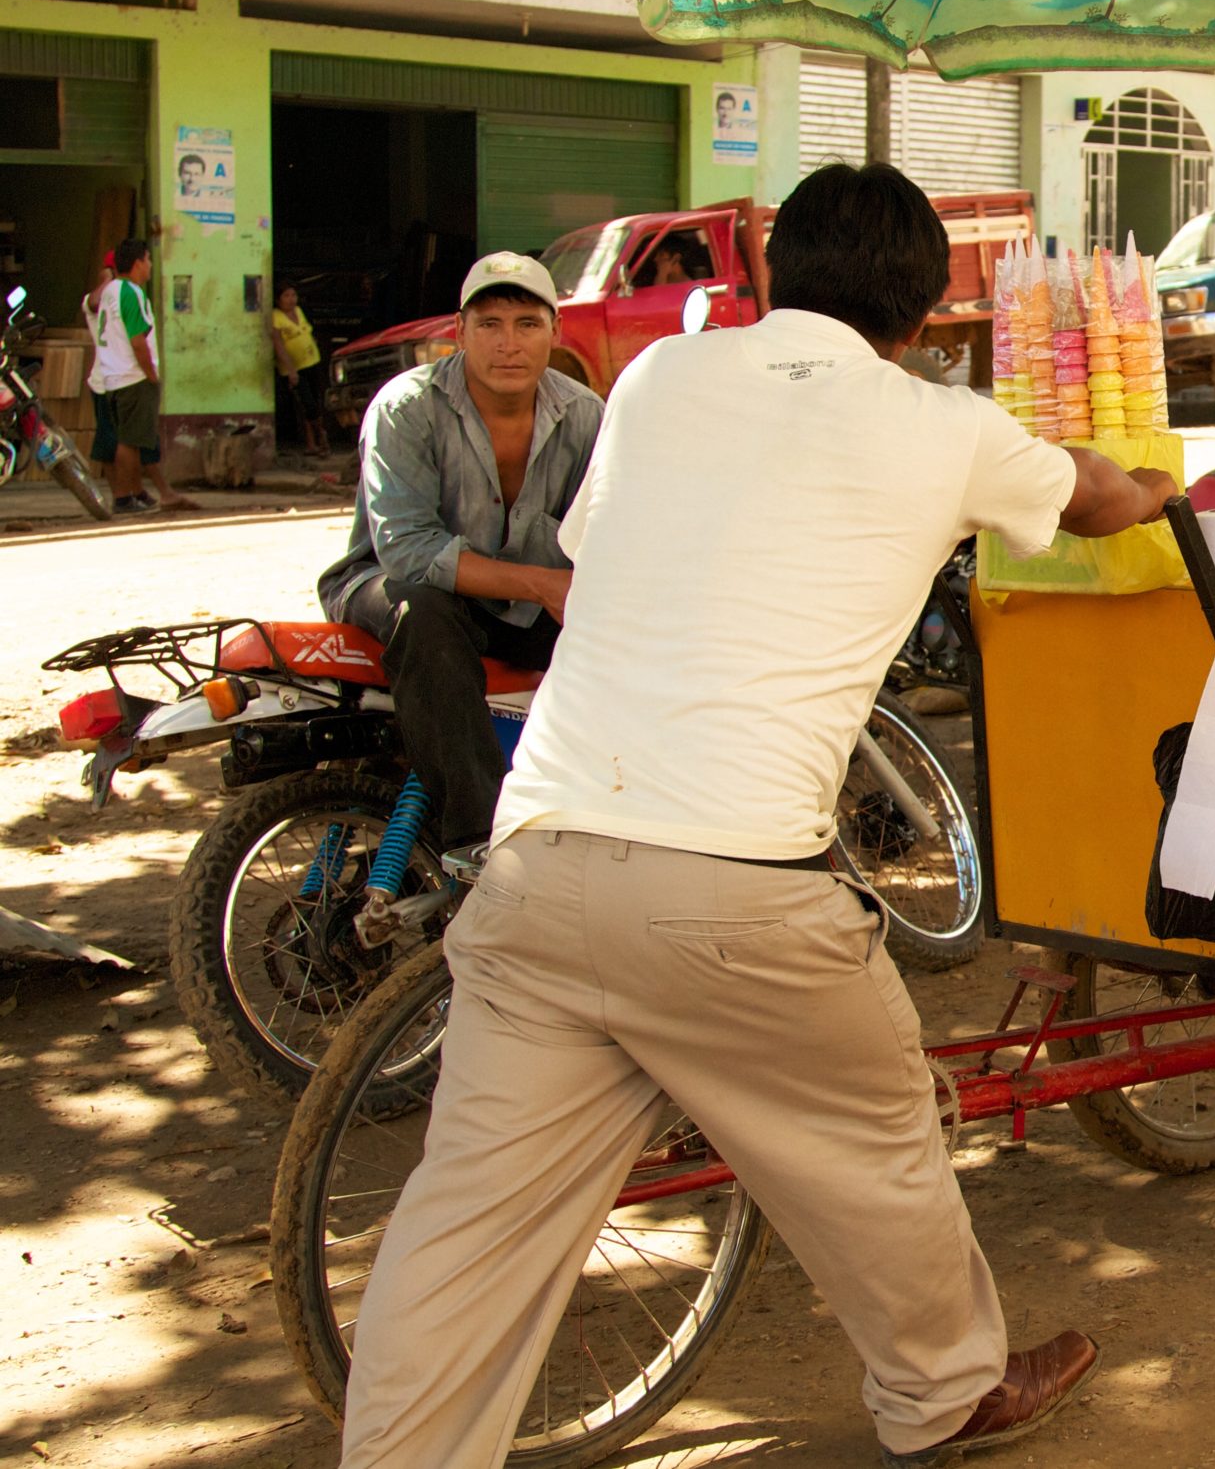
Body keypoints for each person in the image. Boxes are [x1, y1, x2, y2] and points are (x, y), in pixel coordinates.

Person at [336, 163, 1172, 1469]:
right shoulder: (945, 423)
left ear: (776, 275)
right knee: (881, 1120)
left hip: (538, 864)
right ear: (927, 303)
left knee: (466, 1236)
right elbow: (1097, 499)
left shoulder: (663, 379)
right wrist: (1157, 486)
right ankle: (946, 1385)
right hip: (734, 892)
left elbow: (601, 541)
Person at [316, 251, 601, 851]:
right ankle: (478, 841)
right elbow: (408, 551)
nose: (508, 344)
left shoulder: (586, 418)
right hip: (391, 587)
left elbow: (608, 537)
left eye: (527, 325)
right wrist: (543, 585)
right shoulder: (407, 407)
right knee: (425, 612)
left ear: (555, 331)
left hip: (517, 611)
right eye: (489, 325)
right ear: (459, 332)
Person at [87, 239, 197, 515]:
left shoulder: (110, 291)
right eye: (148, 260)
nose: (150, 265)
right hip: (132, 376)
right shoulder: (131, 293)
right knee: (130, 442)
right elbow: (138, 340)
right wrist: (150, 374)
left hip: (113, 376)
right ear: (137, 262)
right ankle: (124, 497)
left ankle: (134, 493)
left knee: (131, 441)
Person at [270, 282, 328, 455]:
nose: (291, 299)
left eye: (293, 295)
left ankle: (312, 445)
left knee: (314, 403)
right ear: (278, 299)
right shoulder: (276, 317)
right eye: (286, 296)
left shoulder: (299, 312)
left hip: (312, 362)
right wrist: (291, 370)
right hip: (293, 369)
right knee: (307, 405)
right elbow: (278, 345)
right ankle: (321, 436)